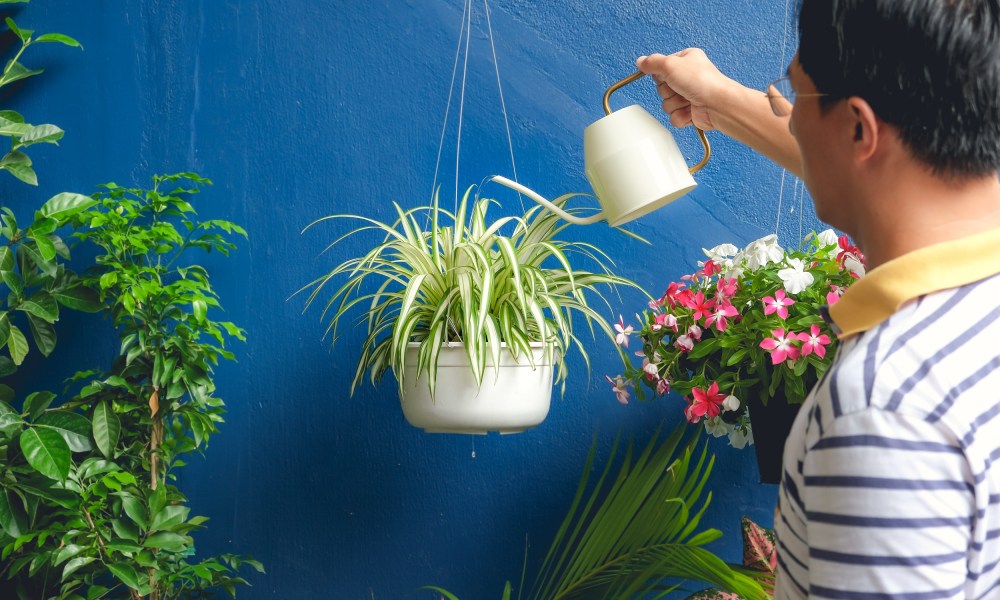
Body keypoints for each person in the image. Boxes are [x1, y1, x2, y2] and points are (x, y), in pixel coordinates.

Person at [635, 0, 1000, 598]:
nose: (790, 117)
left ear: (859, 129)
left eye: (794, 95)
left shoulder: (884, 410)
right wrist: (719, 101)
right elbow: (876, 170)